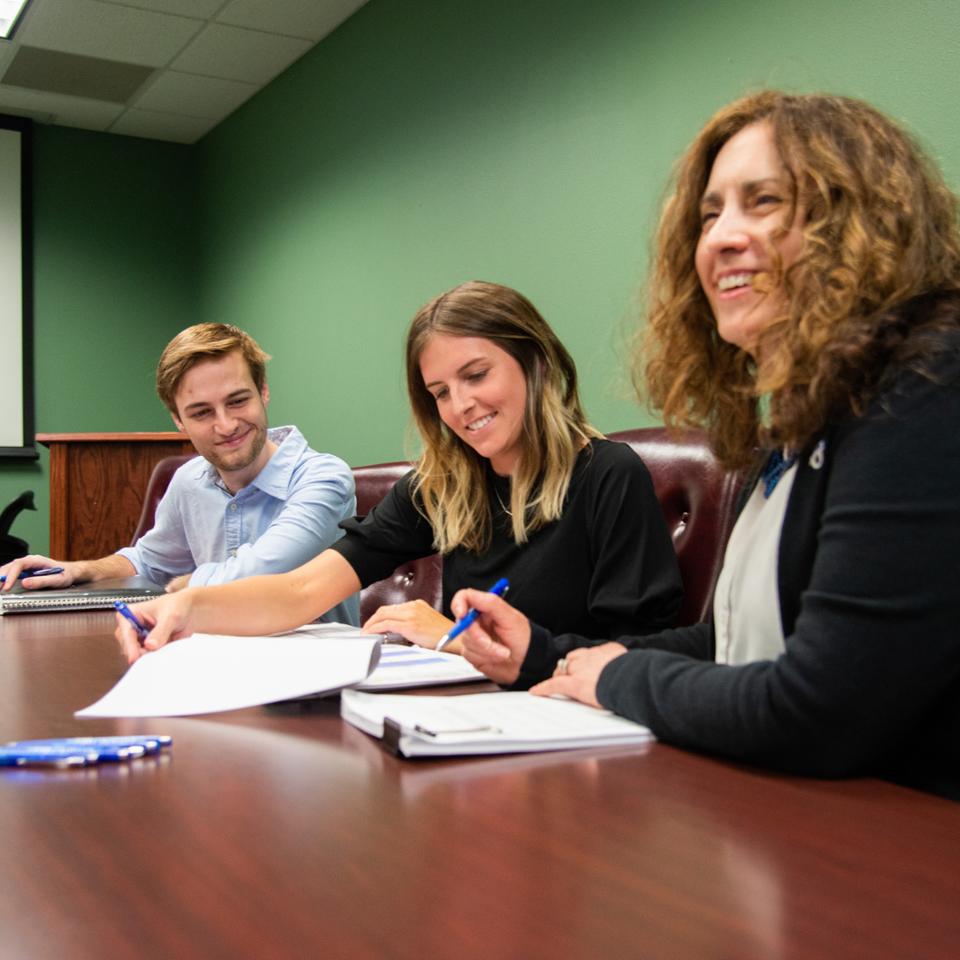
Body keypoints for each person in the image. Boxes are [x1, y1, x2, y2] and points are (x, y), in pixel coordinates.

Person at [456, 93, 960, 800]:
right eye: (710, 213)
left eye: (763, 202)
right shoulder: (796, 422)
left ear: (857, 220)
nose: (722, 237)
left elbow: (822, 709)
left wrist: (621, 677)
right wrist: (545, 655)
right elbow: (728, 642)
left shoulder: (930, 380)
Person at [114, 281, 683, 660]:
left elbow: (636, 652)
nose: (460, 406)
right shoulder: (441, 487)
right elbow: (301, 589)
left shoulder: (608, 474)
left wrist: (460, 643)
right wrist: (185, 607)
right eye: (440, 391)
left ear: (534, 361)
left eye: (477, 375)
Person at [2, 323, 359, 626]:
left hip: (313, 679)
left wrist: (185, 587)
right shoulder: (189, 481)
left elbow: (263, 572)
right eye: (202, 412)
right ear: (178, 420)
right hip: (211, 661)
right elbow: (148, 561)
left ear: (263, 390)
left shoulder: (323, 478)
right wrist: (80, 570)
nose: (226, 424)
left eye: (237, 401)